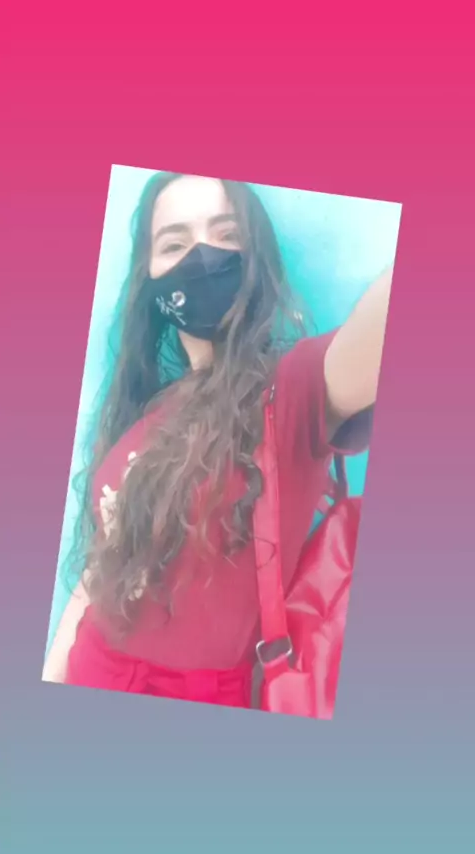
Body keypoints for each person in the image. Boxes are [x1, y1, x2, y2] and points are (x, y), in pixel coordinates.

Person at [42, 171, 391, 709]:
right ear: (151, 278)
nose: (202, 257)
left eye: (226, 235)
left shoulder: (291, 391)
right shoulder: (148, 410)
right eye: (174, 244)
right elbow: (100, 572)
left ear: (255, 257)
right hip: (85, 666)